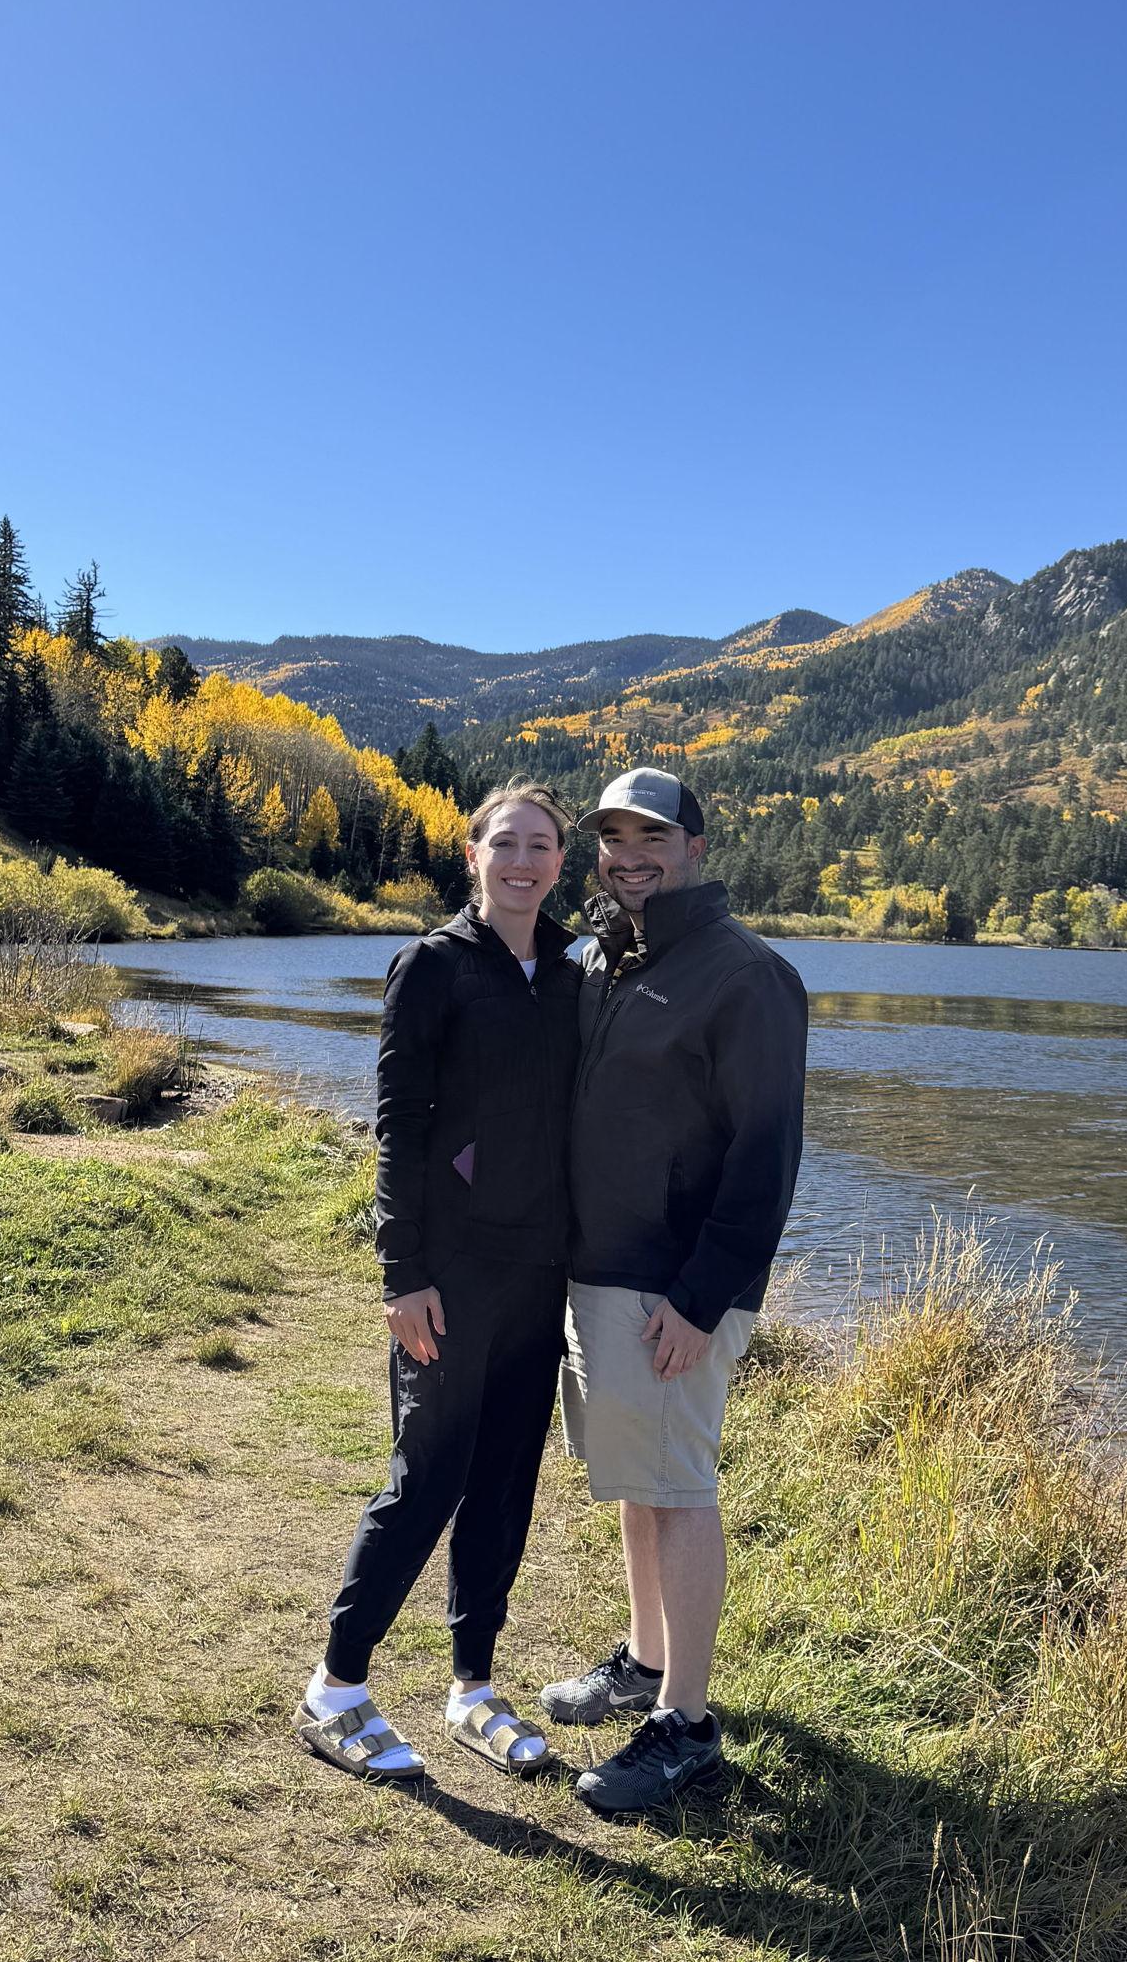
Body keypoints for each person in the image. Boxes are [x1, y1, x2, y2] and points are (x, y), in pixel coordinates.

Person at [295, 785, 583, 1782]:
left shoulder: (572, 972)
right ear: (472, 854)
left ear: (560, 861)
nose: (522, 860)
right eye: (505, 842)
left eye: (540, 845)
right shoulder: (431, 966)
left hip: (540, 1272)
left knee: (504, 1481)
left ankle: (471, 1688)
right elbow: (398, 1128)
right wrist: (402, 1272)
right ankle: (335, 1687)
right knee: (428, 1477)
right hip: (451, 1274)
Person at [540, 766, 808, 1816]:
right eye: (613, 837)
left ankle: (685, 1724)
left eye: (652, 835)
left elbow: (764, 1157)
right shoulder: (606, 955)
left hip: (670, 1288)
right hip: (600, 1268)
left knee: (679, 1484)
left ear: (696, 847)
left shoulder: (748, 976)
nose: (629, 854)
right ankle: (645, 1659)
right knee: (637, 1478)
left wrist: (700, 1298)